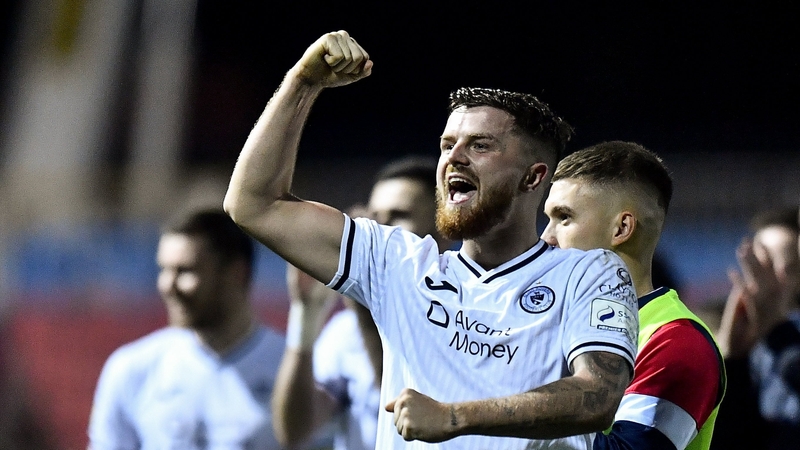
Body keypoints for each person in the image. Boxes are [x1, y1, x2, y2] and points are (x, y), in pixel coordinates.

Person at [224, 30, 639, 449]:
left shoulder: (588, 273)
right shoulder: (397, 263)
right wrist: (302, 82)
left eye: (480, 145)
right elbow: (254, 205)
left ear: (532, 178)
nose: (454, 157)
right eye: (447, 144)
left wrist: (455, 416)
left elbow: (597, 397)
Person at [540, 141, 726, 450]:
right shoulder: (550, 325)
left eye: (564, 217)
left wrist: (500, 411)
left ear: (621, 228)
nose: (546, 238)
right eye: (548, 219)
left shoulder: (677, 341)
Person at [273, 156, 454, 450]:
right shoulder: (345, 331)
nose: (380, 228)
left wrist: (360, 299)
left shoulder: (462, 322)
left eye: (398, 215)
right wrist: (305, 315)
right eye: (373, 216)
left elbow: (406, 415)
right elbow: (294, 432)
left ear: (443, 232)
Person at [87, 209, 285, 449]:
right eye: (164, 270)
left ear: (236, 273)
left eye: (185, 271)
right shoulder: (132, 369)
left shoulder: (290, 370)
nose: (168, 286)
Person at [711, 206, 800, 449]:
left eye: (788, 268)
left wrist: (777, 331)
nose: (769, 283)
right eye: (761, 267)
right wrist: (731, 361)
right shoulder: (743, 345)